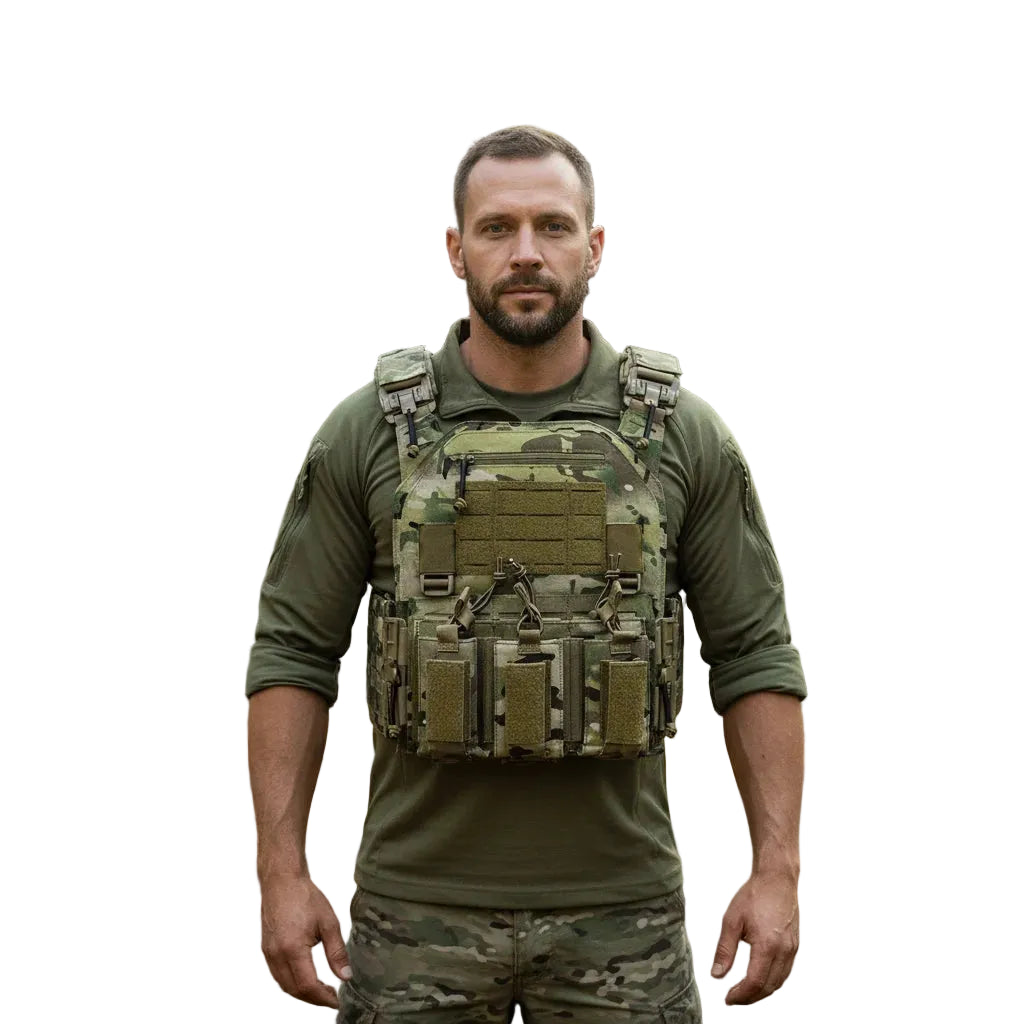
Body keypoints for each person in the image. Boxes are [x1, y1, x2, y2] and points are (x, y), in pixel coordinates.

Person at [246, 126, 806, 1023]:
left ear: (595, 245)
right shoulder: (369, 432)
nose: (526, 253)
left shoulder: (682, 435)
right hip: (413, 910)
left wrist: (776, 868)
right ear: (455, 248)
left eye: (553, 225)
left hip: (624, 915)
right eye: (497, 227)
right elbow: (293, 653)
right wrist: (281, 873)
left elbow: (754, 655)